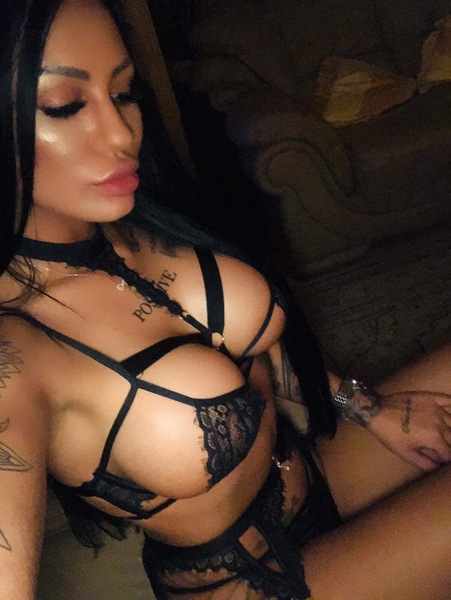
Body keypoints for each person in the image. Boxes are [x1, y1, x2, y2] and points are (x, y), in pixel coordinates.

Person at [1, 1, 450, 599]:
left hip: (310, 479)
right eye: (64, 105)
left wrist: (367, 408)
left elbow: (251, 350)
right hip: (250, 584)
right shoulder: (14, 348)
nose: (122, 135)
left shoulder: (132, 218)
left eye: (125, 93)